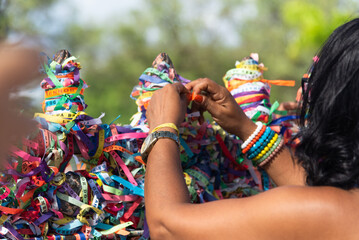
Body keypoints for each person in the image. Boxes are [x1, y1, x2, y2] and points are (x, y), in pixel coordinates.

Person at [144, 18, 359, 239]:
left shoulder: (332, 213)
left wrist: (163, 129)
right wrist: (246, 128)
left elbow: (166, 226)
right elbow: (314, 193)